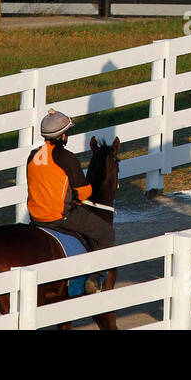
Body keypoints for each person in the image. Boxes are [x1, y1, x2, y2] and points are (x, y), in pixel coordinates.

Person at [26, 110, 114, 292]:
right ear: (63, 135)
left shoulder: (32, 156)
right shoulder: (67, 157)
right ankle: (94, 279)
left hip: (35, 218)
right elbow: (82, 192)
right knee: (106, 233)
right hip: (61, 216)